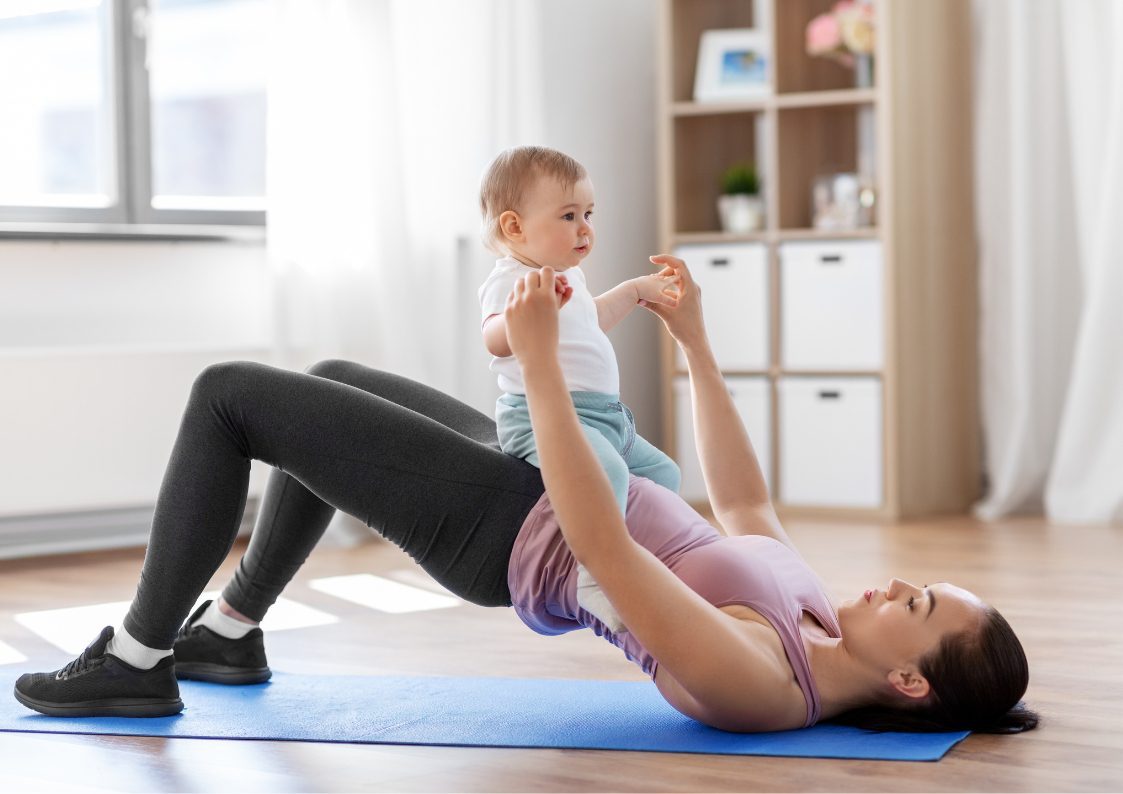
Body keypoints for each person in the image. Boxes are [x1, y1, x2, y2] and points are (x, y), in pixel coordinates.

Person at [13, 255, 1037, 735]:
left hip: (511, 530)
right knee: (327, 377)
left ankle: (138, 657)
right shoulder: (814, 617)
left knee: (227, 395)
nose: (896, 584)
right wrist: (696, 345)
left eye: (916, 604)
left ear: (911, 683)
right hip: (536, 484)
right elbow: (748, 504)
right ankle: (232, 627)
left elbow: (606, 549)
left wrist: (543, 365)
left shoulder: (762, 680)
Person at [477, 145, 682, 633]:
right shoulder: (514, 281)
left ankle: (654, 564)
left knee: (665, 476)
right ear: (514, 227)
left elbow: (591, 325)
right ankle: (593, 578)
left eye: (588, 213)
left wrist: (632, 292)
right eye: (569, 215)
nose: (585, 227)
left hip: (605, 417)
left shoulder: (570, 278)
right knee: (606, 470)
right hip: (542, 419)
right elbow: (494, 338)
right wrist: (528, 314)